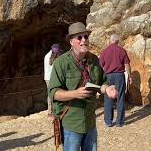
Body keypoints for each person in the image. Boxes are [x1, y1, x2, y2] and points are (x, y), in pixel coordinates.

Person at [48, 22, 117, 151]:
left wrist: (107, 88)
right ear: (71, 41)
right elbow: (53, 92)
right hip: (72, 123)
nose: (83, 40)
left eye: (86, 36)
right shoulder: (61, 63)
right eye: (79, 38)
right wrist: (75, 94)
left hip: (90, 121)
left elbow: (101, 82)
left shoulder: (94, 60)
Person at [99, 34, 132, 127]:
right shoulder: (122, 51)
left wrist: (100, 78)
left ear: (110, 41)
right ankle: (119, 122)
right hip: (119, 76)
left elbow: (100, 66)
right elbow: (127, 65)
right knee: (120, 98)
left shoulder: (104, 52)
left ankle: (108, 122)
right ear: (117, 41)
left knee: (108, 98)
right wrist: (129, 76)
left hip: (108, 76)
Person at [44, 43, 62, 118]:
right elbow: (54, 69)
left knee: (51, 93)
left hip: (48, 78)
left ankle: (51, 111)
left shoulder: (48, 55)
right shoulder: (50, 57)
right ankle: (51, 111)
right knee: (52, 94)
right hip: (51, 78)